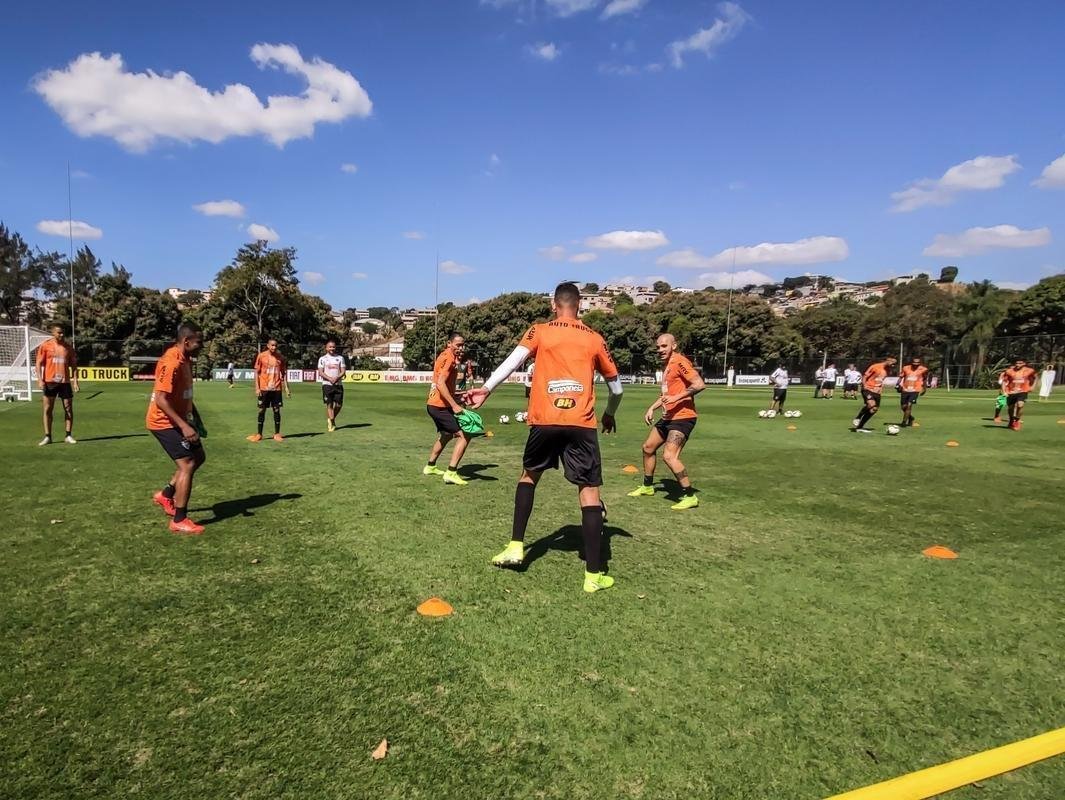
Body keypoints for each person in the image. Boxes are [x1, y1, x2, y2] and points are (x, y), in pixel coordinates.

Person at [466, 282, 624, 593]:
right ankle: (593, 576)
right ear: (580, 306)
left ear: (554, 304)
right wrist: (609, 414)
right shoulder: (594, 338)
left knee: (529, 477)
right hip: (581, 424)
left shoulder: (539, 330)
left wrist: (486, 388)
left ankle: (515, 546)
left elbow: (512, 361)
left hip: (544, 420)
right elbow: (617, 388)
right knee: (589, 493)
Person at [627, 334, 705, 510]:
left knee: (669, 456)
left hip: (683, 417)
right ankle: (647, 487)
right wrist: (652, 407)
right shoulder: (668, 365)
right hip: (668, 417)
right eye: (658, 347)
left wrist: (677, 397)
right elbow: (666, 396)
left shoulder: (679, 361)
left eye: (664, 346)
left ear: (674, 346)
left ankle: (690, 496)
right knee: (648, 448)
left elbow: (699, 384)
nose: (660, 350)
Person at [147, 322, 207, 535]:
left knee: (199, 456)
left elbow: (185, 394)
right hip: (163, 422)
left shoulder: (186, 360)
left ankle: (166, 494)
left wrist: (195, 420)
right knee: (188, 463)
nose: (202, 346)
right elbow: (161, 399)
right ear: (186, 341)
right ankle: (179, 519)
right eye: (199, 342)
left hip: (181, 419)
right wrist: (183, 426)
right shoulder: (171, 362)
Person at [423, 333, 472, 485]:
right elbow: (440, 383)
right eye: (458, 345)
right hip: (439, 406)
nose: (461, 348)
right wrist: (455, 405)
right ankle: (451, 472)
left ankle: (430, 466)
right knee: (465, 435)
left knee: (446, 435)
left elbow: (441, 385)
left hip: (436, 404)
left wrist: (459, 398)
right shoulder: (449, 358)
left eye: (463, 345)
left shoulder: (445, 356)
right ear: (449, 343)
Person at [35, 323, 79, 446]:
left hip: (64, 382)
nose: (62, 335)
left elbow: (74, 366)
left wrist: (75, 381)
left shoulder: (68, 347)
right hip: (49, 381)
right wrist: (40, 380)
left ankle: (68, 435)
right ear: (53, 333)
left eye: (63, 332)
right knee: (48, 409)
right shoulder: (45, 346)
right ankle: (48, 436)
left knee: (68, 408)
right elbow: (38, 363)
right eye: (59, 332)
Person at [248, 338, 290, 442]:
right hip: (264, 388)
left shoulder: (280, 358)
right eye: (272, 345)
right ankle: (259, 434)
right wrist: (257, 388)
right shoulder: (261, 356)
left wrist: (287, 388)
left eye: (275, 345)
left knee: (277, 410)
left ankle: (277, 434)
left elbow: (283, 374)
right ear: (268, 345)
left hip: (276, 389)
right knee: (262, 410)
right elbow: (256, 372)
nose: (274, 347)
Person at [851, 356, 897, 432]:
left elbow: (880, 380)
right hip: (868, 388)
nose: (893, 365)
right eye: (893, 363)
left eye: (895, 364)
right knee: (871, 404)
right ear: (888, 360)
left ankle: (860, 427)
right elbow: (865, 376)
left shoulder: (888, 370)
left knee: (874, 409)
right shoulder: (875, 366)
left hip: (877, 392)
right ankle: (858, 417)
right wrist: (864, 385)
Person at [1000, 358, 1038, 430]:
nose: (1018, 365)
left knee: (1020, 405)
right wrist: (1004, 391)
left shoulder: (1030, 371)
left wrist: (1033, 387)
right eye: (1016, 363)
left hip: (1022, 391)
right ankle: (1011, 420)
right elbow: (1004, 381)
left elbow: (1036, 377)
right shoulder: (1009, 371)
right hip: (1011, 391)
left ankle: (1017, 421)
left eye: (1020, 363)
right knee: (1010, 408)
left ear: (1024, 363)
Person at [318, 338, 346, 432]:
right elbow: (321, 372)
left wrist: (336, 378)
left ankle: (331, 418)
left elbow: (343, 371)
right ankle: (332, 422)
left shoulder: (340, 358)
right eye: (330, 347)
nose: (332, 348)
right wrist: (330, 379)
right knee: (329, 404)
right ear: (326, 348)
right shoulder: (322, 359)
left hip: (338, 384)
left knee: (338, 405)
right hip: (327, 385)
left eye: (333, 347)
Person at [896, 356, 929, 427]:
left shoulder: (924, 369)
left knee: (909, 405)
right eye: (914, 362)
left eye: (917, 363)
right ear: (911, 362)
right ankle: (911, 418)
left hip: (915, 390)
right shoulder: (905, 368)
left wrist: (924, 388)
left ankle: (904, 423)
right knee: (903, 407)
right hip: (905, 389)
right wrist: (897, 384)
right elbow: (901, 377)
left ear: (920, 363)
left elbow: (925, 379)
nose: (916, 364)